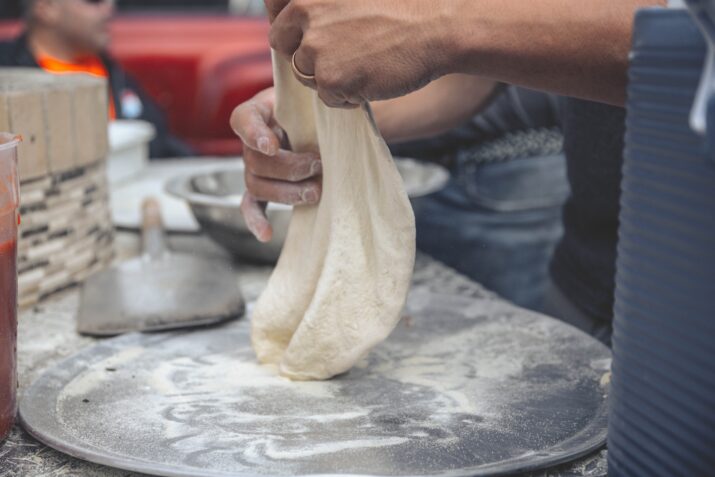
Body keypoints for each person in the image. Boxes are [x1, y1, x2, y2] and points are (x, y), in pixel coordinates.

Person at [232, 0, 667, 345]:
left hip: (689, 312)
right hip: (585, 282)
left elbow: (697, 37)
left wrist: (437, 24)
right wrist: (309, 116)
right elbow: (477, 75)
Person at [387, 85, 567, 311]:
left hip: (505, 162)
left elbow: (469, 72)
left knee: (505, 320)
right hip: (410, 163)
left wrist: (346, 118)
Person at [0, 0, 194, 159]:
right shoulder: (8, 73)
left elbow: (158, 140)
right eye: (94, 1)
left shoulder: (110, 69)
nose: (110, 7)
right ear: (46, 7)